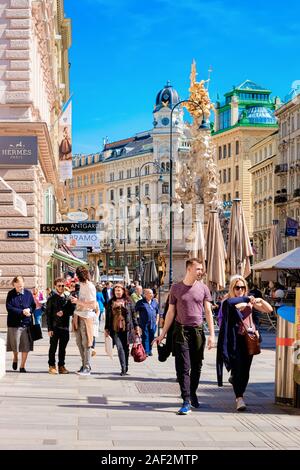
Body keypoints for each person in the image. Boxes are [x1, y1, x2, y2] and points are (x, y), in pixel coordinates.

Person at [153, 258, 215, 415]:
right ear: (189, 269)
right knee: (182, 367)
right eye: (198, 269)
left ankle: (192, 392)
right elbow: (170, 312)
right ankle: (186, 400)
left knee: (197, 366)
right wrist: (162, 334)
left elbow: (208, 312)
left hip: (198, 331)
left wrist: (212, 335)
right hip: (180, 332)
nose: (201, 271)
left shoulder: (204, 288)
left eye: (202, 269)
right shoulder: (176, 288)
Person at [217, 275, 273, 412]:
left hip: (249, 339)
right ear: (232, 288)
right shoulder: (228, 301)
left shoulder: (249, 301)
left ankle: (238, 386)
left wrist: (259, 300)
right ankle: (239, 398)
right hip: (235, 339)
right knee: (237, 368)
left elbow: (269, 309)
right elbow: (233, 304)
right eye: (237, 287)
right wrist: (247, 301)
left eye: (242, 287)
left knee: (245, 370)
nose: (240, 290)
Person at [105, 284, 140, 376]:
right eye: (116, 291)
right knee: (120, 348)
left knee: (126, 348)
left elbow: (133, 315)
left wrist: (136, 327)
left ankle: (126, 365)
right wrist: (106, 328)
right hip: (115, 329)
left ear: (123, 291)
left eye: (119, 290)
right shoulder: (110, 302)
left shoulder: (128, 301)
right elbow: (108, 317)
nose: (118, 292)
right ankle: (123, 368)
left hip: (127, 328)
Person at [6, 276, 36, 373]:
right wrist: (21, 312)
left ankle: (22, 366)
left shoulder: (28, 293)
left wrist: (29, 310)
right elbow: (9, 308)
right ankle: (15, 357)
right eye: (18, 286)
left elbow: (33, 305)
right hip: (14, 324)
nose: (20, 288)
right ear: (14, 285)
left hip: (27, 323)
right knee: (15, 345)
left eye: (22, 286)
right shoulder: (10, 294)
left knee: (26, 346)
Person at [70, 267, 97, 376]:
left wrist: (78, 301)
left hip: (86, 316)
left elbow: (92, 305)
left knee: (86, 343)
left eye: (77, 274)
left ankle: (87, 367)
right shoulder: (81, 285)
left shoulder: (90, 286)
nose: (76, 277)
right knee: (79, 342)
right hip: (78, 315)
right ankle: (84, 364)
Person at [46, 278, 76, 374]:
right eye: (59, 285)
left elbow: (72, 311)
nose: (61, 287)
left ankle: (61, 366)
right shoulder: (51, 299)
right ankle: (51, 365)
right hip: (54, 327)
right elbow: (48, 314)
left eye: (63, 285)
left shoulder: (67, 298)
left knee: (63, 348)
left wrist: (64, 312)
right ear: (55, 286)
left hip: (65, 327)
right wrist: (49, 328)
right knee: (53, 347)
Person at [135, 289, 159, 356]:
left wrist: (157, 321)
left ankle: (150, 350)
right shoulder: (140, 302)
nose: (151, 295)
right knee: (145, 337)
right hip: (144, 323)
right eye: (149, 293)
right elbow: (134, 311)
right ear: (145, 294)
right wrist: (137, 322)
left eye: (152, 293)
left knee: (151, 337)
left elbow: (157, 312)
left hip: (153, 323)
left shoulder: (155, 302)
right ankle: (146, 351)